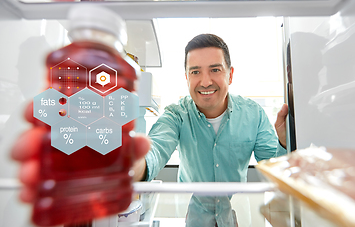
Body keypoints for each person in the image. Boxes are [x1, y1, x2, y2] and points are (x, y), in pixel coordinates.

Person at [11, 33, 288, 225]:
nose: (205, 81)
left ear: (230, 74)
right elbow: (153, 152)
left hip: (238, 215)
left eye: (215, 69)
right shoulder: (176, 114)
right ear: (186, 77)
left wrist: (286, 144)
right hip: (191, 217)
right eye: (195, 71)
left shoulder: (253, 114)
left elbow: (274, 167)